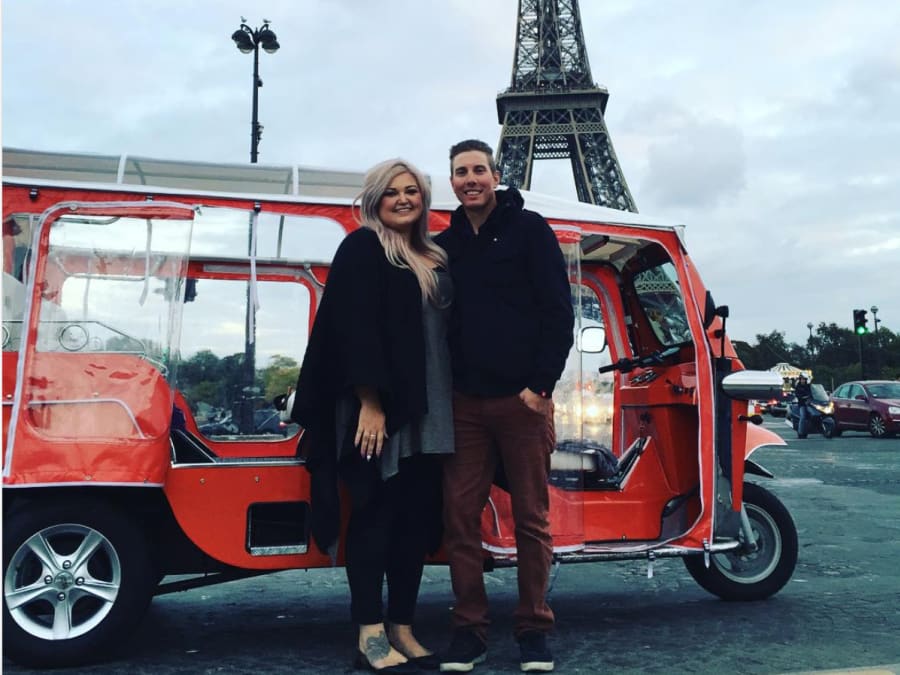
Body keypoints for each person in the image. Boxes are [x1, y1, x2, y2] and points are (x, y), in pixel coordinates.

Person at [291, 159, 454, 673]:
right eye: (392, 192)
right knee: (374, 516)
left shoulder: (433, 256)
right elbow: (353, 329)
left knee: (414, 521)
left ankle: (403, 625)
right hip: (379, 407)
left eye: (412, 191)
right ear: (374, 199)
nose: (403, 199)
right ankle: (369, 631)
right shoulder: (362, 247)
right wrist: (371, 403)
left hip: (431, 408)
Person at [434, 140, 574, 673]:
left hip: (522, 401)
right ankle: (469, 630)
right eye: (459, 172)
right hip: (466, 403)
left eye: (478, 170)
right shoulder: (446, 245)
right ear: (451, 183)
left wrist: (540, 386)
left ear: (495, 174)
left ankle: (534, 626)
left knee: (533, 519)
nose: (469, 179)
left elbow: (557, 311)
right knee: (460, 518)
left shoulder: (530, 229)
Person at [794, 373, 813, 438]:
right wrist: (803, 397)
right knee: (803, 417)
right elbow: (797, 395)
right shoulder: (798, 387)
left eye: (804, 379)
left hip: (810, 404)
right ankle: (800, 432)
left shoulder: (809, 386)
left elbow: (813, 393)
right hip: (802, 404)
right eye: (801, 379)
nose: (803, 380)